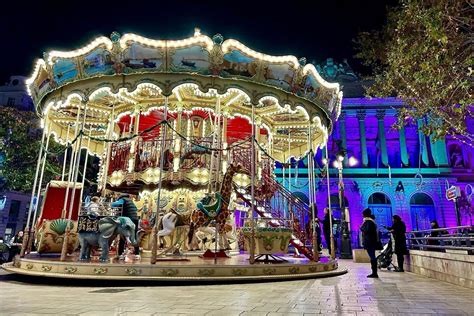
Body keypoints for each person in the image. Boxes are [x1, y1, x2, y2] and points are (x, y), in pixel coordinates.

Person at [112, 194, 139, 259]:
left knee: (122, 236)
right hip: (135, 219)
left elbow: (114, 205)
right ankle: (137, 253)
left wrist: (112, 203)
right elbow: (135, 209)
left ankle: (120, 254)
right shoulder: (130, 201)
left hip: (128, 220)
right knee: (134, 236)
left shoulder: (123, 199)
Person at [360, 208, 378, 278]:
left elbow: (367, 231)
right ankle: (374, 272)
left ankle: (374, 273)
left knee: (372, 257)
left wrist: (361, 228)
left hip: (370, 242)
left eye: (363, 214)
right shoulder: (370, 221)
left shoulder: (368, 222)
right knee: (372, 257)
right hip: (371, 242)